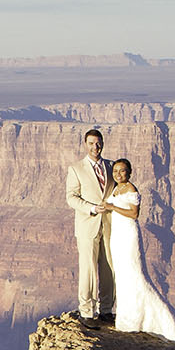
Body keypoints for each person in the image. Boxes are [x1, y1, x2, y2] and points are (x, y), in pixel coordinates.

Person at [100, 158, 175, 343]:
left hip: (129, 235)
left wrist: (113, 207)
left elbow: (134, 214)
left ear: (129, 172)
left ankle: (154, 319)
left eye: (122, 171)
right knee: (123, 275)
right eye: (115, 171)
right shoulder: (116, 188)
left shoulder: (131, 189)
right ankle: (128, 317)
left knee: (135, 274)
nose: (118, 174)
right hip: (117, 236)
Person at [64, 128, 113, 326]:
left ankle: (107, 310)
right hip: (87, 225)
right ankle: (87, 312)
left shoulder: (111, 167)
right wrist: (91, 208)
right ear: (86, 144)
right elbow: (71, 197)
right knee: (89, 269)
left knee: (110, 267)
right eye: (92, 143)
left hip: (109, 225)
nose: (96, 147)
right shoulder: (76, 168)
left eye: (98, 143)